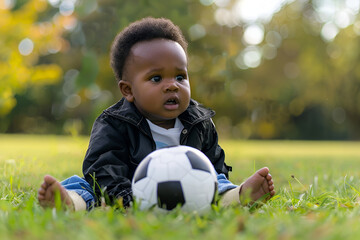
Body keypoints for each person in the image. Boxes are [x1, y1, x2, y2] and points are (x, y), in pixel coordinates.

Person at [37, 17, 275, 211]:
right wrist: (128, 201)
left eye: (180, 77)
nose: (172, 85)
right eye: (156, 78)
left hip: (190, 187)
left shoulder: (199, 121)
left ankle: (239, 196)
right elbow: (104, 168)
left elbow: (213, 164)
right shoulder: (114, 123)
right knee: (86, 186)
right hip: (126, 189)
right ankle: (68, 203)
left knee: (218, 182)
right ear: (128, 90)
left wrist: (211, 181)